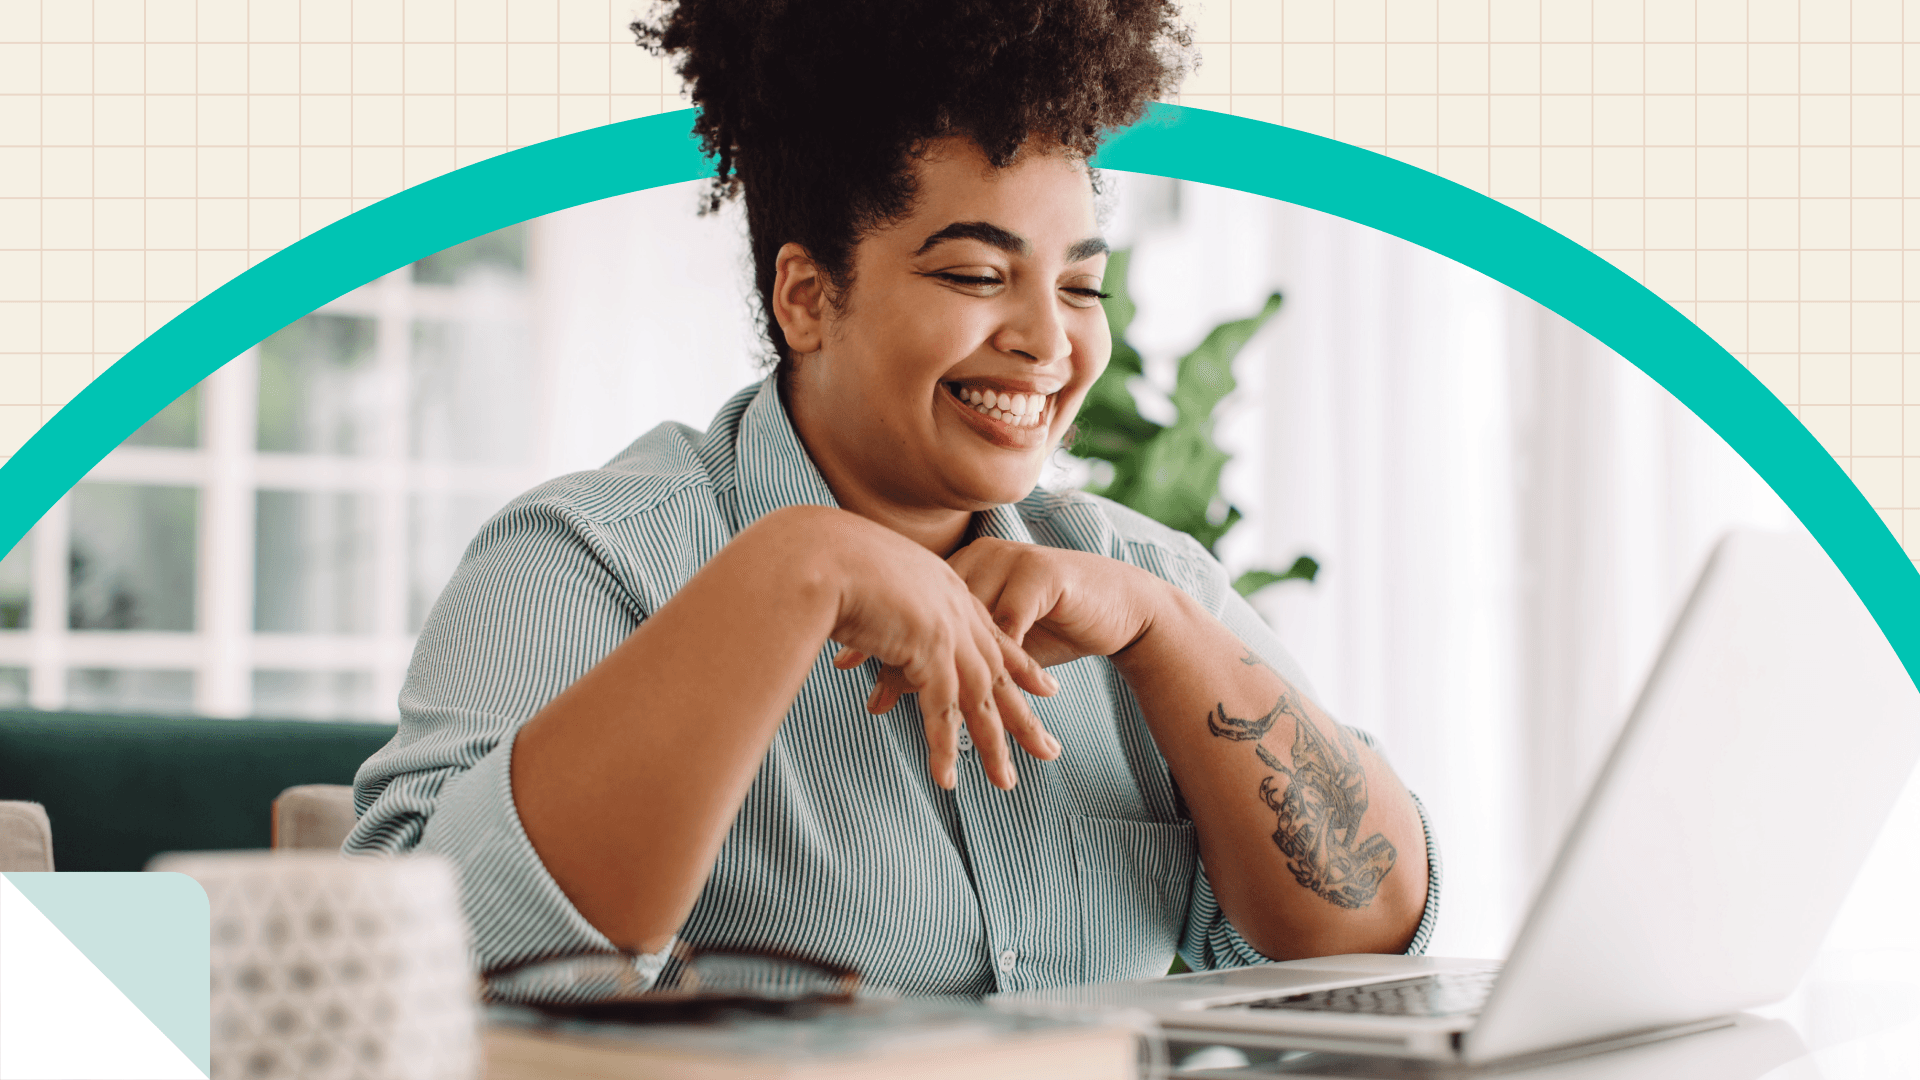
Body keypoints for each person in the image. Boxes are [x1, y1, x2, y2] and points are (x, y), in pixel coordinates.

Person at [348, 0, 1440, 998]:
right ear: (809, 296)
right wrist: (792, 574)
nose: (1049, 342)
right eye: (975, 275)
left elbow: (1368, 944)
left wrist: (1166, 637)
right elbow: (410, 971)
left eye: (1080, 286)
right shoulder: (584, 559)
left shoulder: (1142, 585)